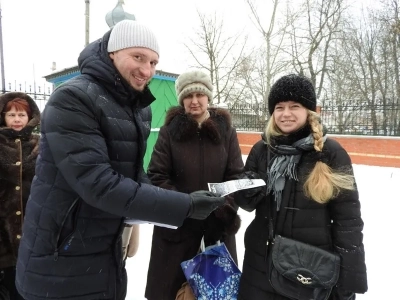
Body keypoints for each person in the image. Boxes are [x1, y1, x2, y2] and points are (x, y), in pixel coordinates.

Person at [15, 20, 225, 300]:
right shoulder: (73, 98)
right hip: (61, 257)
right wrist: (184, 205)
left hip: (105, 251)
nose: (147, 70)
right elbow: (99, 184)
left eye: (153, 61)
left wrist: (187, 201)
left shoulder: (137, 108)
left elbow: (134, 177)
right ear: (112, 53)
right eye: (138, 57)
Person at [234, 74, 368, 300]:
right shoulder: (262, 149)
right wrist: (245, 190)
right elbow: (247, 203)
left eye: (294, 106)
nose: (285, 114)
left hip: (309, 269)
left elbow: (348, 222)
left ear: (309, 111)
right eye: (279, 107)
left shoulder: (330, 153)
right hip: (260, 266)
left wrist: (347, 280)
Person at [145, 70, 244, 300]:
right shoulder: (169, 132)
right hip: (177, 232)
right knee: (172, 293)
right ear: (181, 100)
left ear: (208, 97)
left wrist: (221, 209)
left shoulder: (226, 132)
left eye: (200, 94)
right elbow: (157, 176)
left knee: (216, 294)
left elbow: (236, 176)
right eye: (189, 96)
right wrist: (186, 206)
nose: (195, 101)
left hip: (217, 232)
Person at [0, 92, 40, 300]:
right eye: (12, 115)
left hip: (32, 223)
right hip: (3, 227)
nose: (17, 119)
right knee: (9, 282)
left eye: (22, 115)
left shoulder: (39, 145)